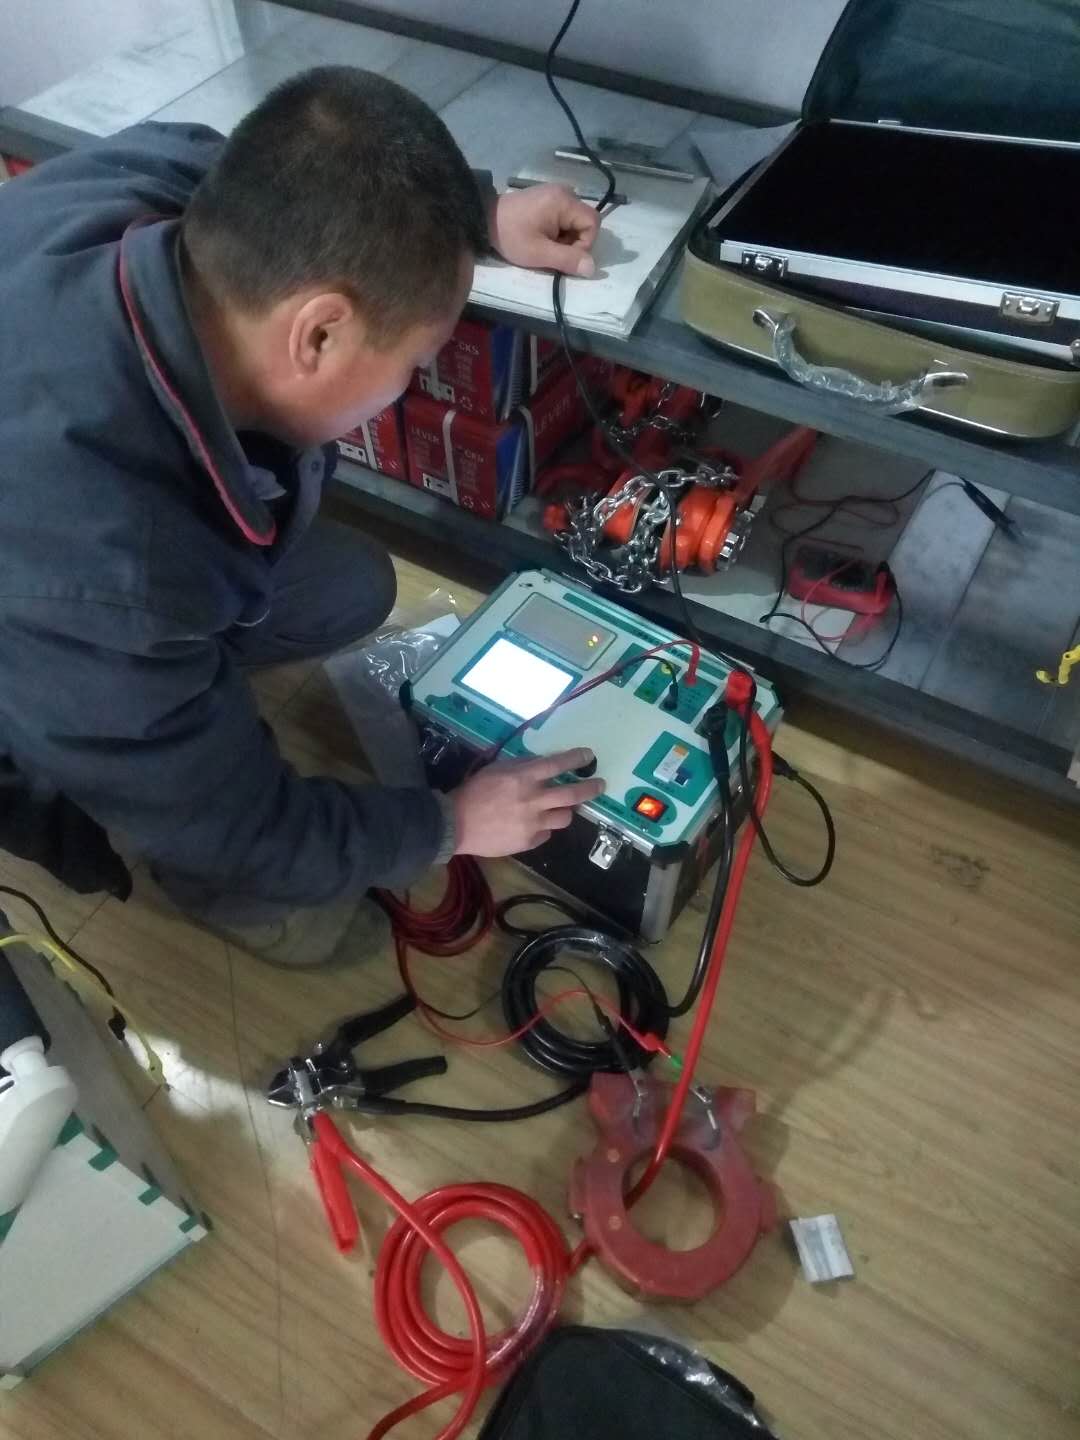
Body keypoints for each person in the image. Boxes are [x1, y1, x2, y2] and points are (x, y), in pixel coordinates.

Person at [0, 65, 605, 966]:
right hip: (39, 635)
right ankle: (117, 781)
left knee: (354, 585)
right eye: (415, 362)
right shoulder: (112, 570)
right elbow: (241, 830)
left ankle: (159, 710)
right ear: (318, 334)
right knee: (309, 919)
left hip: (70, 568)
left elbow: (311, 171)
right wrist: (450, 824)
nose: (410, 383)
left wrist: (482, 216)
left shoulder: (168, 185)